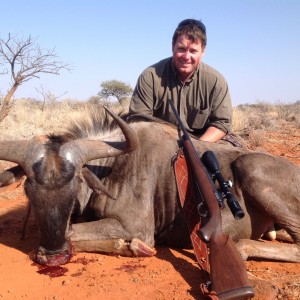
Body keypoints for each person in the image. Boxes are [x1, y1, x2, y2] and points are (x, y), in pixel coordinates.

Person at [129, 18, 233, 143]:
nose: (186, 57)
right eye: (182, 49)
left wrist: (198, 147)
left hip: (202, 142)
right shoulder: (150, 76)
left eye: (193, 51)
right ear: (173, 47)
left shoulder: (216, 81)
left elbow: (222, 123)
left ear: (202, 52)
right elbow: (138, 122)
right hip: (159, 144)